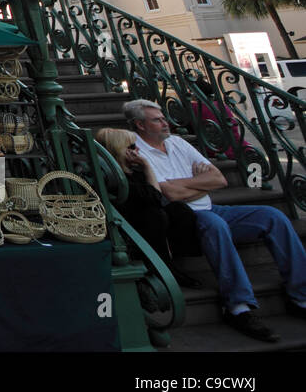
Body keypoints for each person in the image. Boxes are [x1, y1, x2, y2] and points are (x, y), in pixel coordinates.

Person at [125, 98, 306, 342]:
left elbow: (219, 179)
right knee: (215, 225)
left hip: (213, 208)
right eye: (157, 120)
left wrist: (183, 186)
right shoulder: (136, 150)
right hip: (188, 218)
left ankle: (300, 295)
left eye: (163, 117)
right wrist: (197, 184)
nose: (165, 123)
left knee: (273, 216)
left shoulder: (177, 142)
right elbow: (168, 195)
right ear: (140, 124)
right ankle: (238, 306)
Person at [95, 128, 200, 288]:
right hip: (127, 226)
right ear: (118, 150)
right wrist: (147, 164)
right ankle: (163, 269)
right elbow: (156, 197)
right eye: (131, 147)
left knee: (180, 210)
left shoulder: (134, 173)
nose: (137, 150)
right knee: (156, 215)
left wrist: (145, 168)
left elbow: (157, 198)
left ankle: (174, 260)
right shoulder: (116, 180)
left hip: (149, 223)